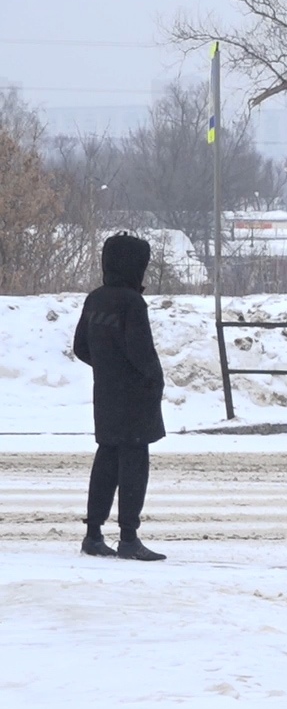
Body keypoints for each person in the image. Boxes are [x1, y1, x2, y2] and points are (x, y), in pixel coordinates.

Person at [74, 233, 168, 562]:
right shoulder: (131, 303)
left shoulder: (95, 299)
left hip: (106, 393)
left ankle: (93, 534)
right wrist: (155, 380)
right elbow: (141, 352)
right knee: (134, 464)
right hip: (135, 396)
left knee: (106, 460)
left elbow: (81, 347)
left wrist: (107, 366)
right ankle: (129, 538)